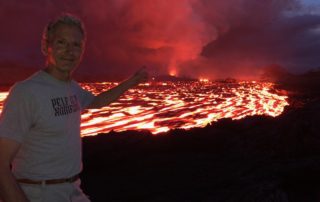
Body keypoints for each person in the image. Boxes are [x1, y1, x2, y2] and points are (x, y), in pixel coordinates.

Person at [0, 13, 148, 202]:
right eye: (61, 43)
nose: (69, 51)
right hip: (39, 192)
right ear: (47, 47)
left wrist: (132, 81)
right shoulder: (25, 92)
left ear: (82, 51)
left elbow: (97, 101)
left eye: (76, 45)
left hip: (72, 190)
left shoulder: (71, 87)